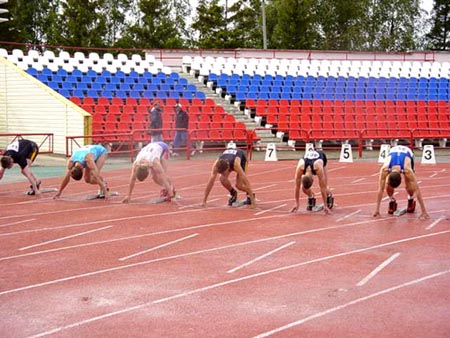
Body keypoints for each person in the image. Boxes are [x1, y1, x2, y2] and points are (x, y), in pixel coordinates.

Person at [373, 145, 429, 219]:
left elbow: (417, 189)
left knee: (409, 184)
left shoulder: (407, 170)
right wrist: (377, 210)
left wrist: (424, 211)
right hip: (393, 152)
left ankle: (410, 199)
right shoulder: (384, 169)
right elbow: (380, 189)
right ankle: (392, 200)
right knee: (387, 185)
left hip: (407, 153)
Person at [290, 149, 334, 214]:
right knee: (304, 188)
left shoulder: (318, 168)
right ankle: (311, 196)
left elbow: (322, 188)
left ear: (313, 180)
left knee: (325, 186)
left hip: (321, 157)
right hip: (308, 159)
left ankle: (330, 195)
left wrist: (325, 205)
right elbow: (297, 187)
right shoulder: (300, 168)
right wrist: (297, 203)